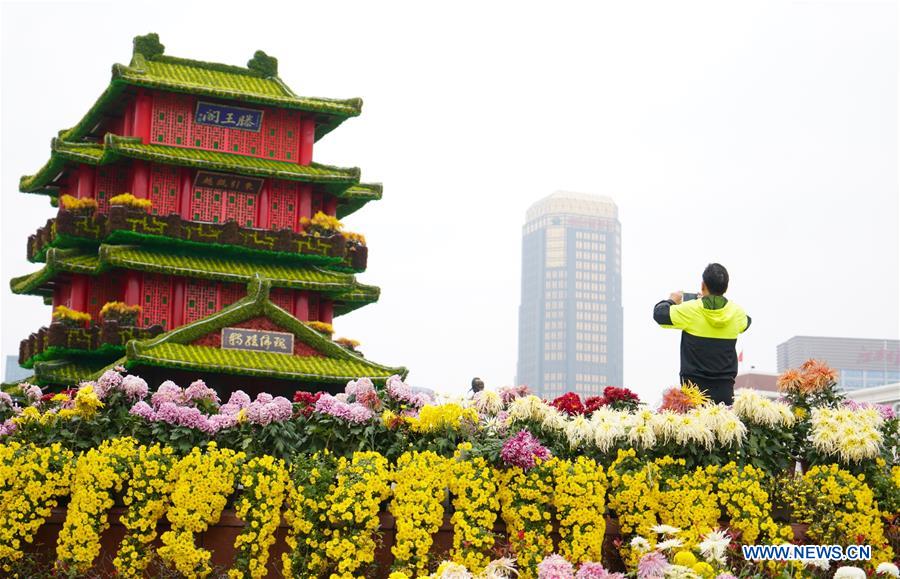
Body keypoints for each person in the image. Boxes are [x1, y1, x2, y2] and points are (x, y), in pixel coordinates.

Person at [653, 263, 751, 405]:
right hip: (725, 396)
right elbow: (746, 322)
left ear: (703, 285)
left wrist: (672, 300)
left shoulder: (691, 310)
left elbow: (659, 314)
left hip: (693, 395)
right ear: (726, 287)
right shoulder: (737, 313)